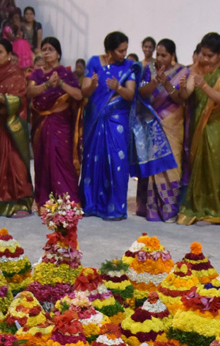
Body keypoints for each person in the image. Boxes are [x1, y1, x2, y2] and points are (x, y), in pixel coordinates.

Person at [80, 31, 138, 219]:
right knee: (94, 159)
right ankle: (92, 204)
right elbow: (84, 91)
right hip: (96, 119)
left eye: (126, 50)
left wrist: (118, 88)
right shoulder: (94, 62)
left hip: (118, 120)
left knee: (117, 161)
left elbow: (130, 95)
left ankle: (116, 208)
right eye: (121, 51)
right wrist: (93, 86)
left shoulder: (129, 66)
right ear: (110, 51)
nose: (124, 54)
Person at [177, 32, 220, 225]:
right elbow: (186, 95)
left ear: (219, 54)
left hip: (217, 125)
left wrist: (203, 85)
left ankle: (215, 211)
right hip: (198, 123)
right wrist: (183, 87)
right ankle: (197, 206)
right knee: (198, 165)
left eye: (210, 55)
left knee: (215, 166)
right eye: (203, 54)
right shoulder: (195, 69)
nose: (205, 59)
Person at [134, 39, 188, 221]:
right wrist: (155, 80)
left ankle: (169, 208)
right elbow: (141, 93)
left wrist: (165, 83)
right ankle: (151, 207)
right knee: (153, 164)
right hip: (152, 121)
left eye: (164, 55)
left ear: (172, 56)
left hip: (172, 122)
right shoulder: (149, 69)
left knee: (172, 164)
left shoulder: (182, 71)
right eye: (158, 54)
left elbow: (180, 98)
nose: (160, 58)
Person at [0, 38, 34, 216]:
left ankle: (20, 203)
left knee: (15, 164)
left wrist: (0, 98)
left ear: (9, 55)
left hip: (13, 126)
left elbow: (20, 100)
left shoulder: (16, 73)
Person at [28, 37, 81, 205]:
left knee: (63, 160)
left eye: (50, 49)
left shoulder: (66, 74)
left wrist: (61, 83)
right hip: (42, 124)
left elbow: (78, 95)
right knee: (43, 160)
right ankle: (46, 202)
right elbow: (29, 92)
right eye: (44, 49)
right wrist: (47, 85)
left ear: (58, 53)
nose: (46, 52)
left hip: (61, 124)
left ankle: (68, 201)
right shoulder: (37, 73)